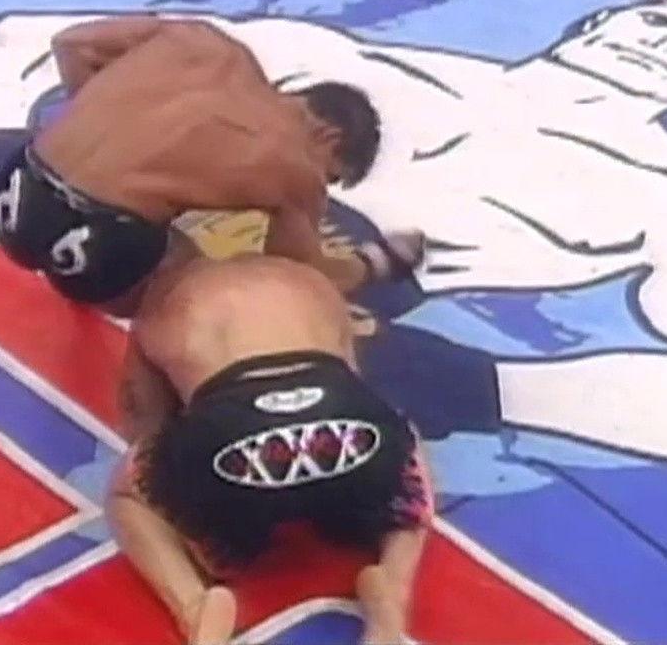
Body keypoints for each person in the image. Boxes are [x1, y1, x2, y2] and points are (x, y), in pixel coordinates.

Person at [0, 0, 667, 472]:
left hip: (46, 201)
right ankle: (154, 467)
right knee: (224, 304)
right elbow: (17, 37)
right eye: (663, 24)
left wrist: (484, 387)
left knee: (226, 285)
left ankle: (166, 444)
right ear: (604, 20)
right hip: (206, 275)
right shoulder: (316, 71)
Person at [0, 15, 422, 314]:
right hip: (96, 250)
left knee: (153, 217)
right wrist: (378, 263)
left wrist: (95, 114)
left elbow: (72, 44)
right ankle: (157, 407)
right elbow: (300, 273)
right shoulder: (292, 165)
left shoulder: (201, 42)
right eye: (330, 174)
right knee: (208, 284)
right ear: (329, 136)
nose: (321, 186)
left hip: (16, 191)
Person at [108, 252, 431, 644]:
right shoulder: (311, 282)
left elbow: (141, 419)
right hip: (338, 415)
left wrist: (195, 473)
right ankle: (393, 580)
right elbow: (351, 383)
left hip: (233, 435)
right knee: (402, 446)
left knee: (126, 493)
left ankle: (194, 606)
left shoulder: (161, 304)